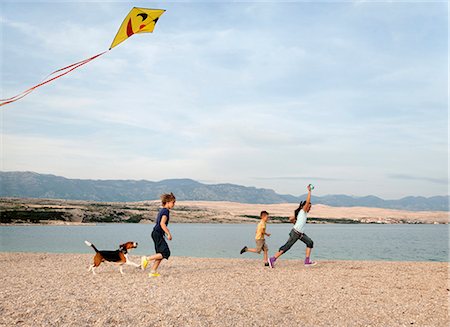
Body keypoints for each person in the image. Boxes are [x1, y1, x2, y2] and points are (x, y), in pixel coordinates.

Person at [269, 185, 316, 268]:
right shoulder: (303, 211)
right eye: (309, 206)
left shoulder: (300, 213)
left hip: (300, 234)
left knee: (310, 242)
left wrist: (294, 222)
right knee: (287, 246)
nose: (309, 208)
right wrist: (309, 191)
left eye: (310, 207)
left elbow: (291, 218)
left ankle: (307, 261)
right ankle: (272, 259)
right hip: (295, 233)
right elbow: (308, 201)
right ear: (304, 206)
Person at [141, 192, 176, 277]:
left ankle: (152, 272)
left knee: (160, 254)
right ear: (167, 202)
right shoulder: (166, 211)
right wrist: (168, 233)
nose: (174, 204)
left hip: (156, 233)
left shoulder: (163, 210)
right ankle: (146, 259)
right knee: (165, 252)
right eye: (173, 202)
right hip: (157, 234)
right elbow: (162, 224)